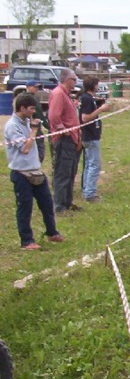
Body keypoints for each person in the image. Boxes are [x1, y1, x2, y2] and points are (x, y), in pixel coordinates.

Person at [4, 93, 64, 250]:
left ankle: (52, 233)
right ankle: (26, 241)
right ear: (22, 108)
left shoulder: (27, 122)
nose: (33, 112)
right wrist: (34, 130)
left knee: (47, 204)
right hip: (21, 173)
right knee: (25, 208)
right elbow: (24, 148)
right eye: (31, 109)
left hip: (36, 171)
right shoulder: (12, 126)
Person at [48, 68, 82, 213]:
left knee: (71, 172)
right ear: (67, 80)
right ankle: (60, 206)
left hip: (73, 140)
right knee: (62, 172)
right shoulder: (58, 94)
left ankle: (68, 202)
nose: (76, 82)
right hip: (64, 140)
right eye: (74, 79)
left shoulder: (66, 94)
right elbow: (54, 116)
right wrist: (64, 131)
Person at [79, 77, 110, 203]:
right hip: (90, 136)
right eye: (97, 85)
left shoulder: (88, 98)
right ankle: (90, 194)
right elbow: (85, 118)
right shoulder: (86, 99)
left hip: (91, 135)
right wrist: (100, 110)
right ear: (93, 86)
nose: (98, 87)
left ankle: (86, 189)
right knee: (94, 165)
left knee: (88, 164)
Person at [22, 80, 49, 162]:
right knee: (39, 147)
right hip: (33, 126)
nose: (37, 88)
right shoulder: (30, 99)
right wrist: (47, 125)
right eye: (35, 87)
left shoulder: (22, 97)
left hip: (27, 126)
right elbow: (39, 114)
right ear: (28, 87)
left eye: (37, 87)